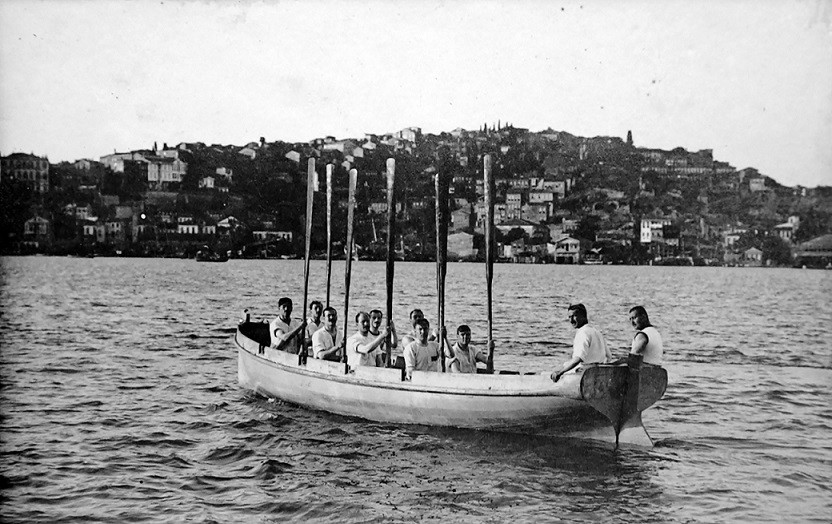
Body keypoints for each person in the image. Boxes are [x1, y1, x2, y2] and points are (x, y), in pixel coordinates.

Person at [551, 303, 611, 382]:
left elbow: (578, 358)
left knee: (558, 370)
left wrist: (560, 373)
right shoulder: (597, 332)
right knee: (565, 364)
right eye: (569, 317)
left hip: (585, 375)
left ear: (583, 316)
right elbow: (609, 356)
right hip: (596, 372)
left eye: (574, 316)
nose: (571, 320)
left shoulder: (583, 332)